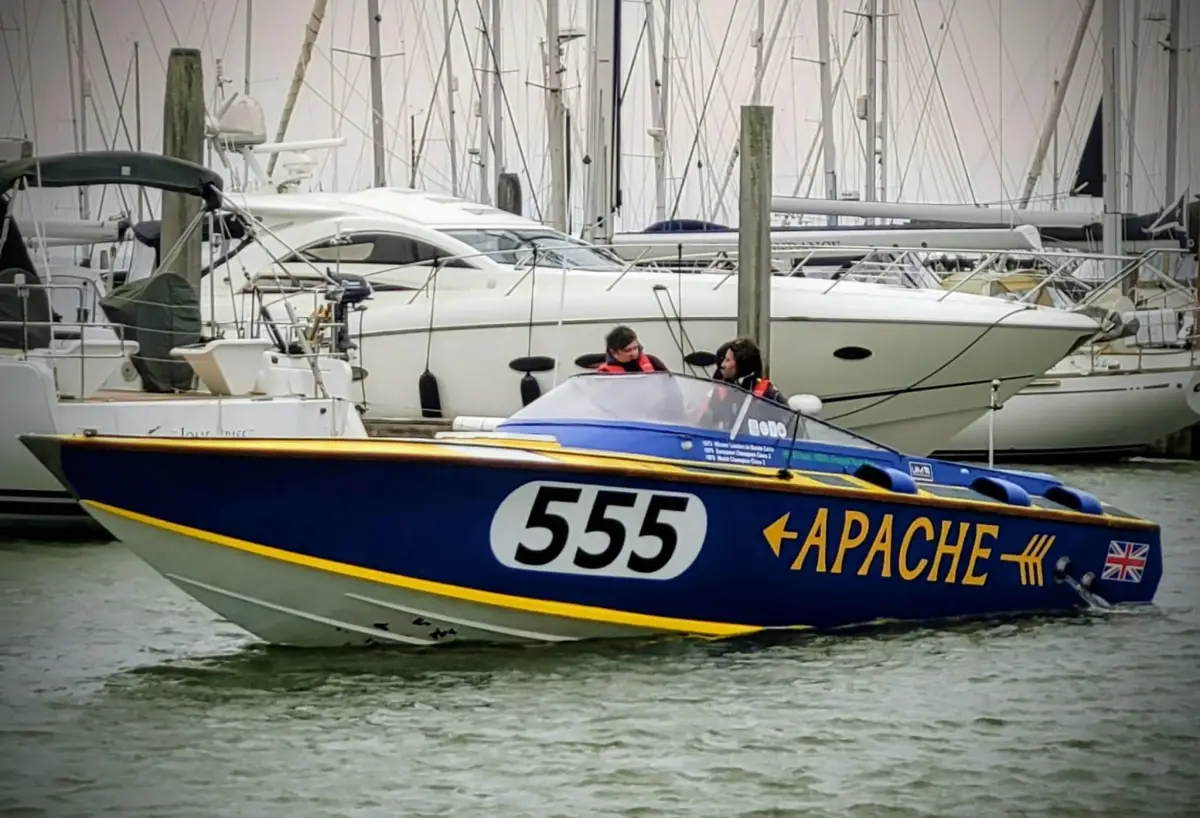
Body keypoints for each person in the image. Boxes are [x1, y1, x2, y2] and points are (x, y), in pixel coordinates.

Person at [595, 325, 669, 374]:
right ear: (614, 352)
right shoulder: (604, 373)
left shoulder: (652, 361)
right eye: (628, 350)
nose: (634, 353)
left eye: (635, 348)